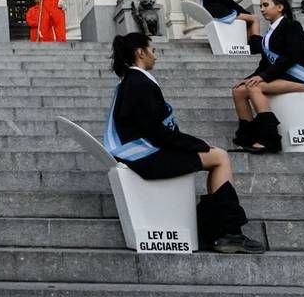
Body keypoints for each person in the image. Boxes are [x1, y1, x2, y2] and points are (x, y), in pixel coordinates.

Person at [107, 32, 264, 253]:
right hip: (146, 158)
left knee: (215, 154)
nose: (155, 56)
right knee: (220, 157)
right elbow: (156, 132)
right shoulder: (140, 84)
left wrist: (195, 144)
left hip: (142, 153)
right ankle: (229, 232)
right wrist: (197, 144)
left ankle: (219, 230)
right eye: (153, 50)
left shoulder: (130, 81)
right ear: (140, 52)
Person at [231, 0, 304, 154]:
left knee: (255, 87)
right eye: (261, 6)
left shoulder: (292, 26)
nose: (262, 9)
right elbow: (265, 64)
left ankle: (270, 139)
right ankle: (248, 138)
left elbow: (292, 57)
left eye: (266, 5)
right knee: (238, 90)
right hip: (283, 76)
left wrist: (262, 77)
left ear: (279, 7)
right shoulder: (269, 34)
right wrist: (249, 78)